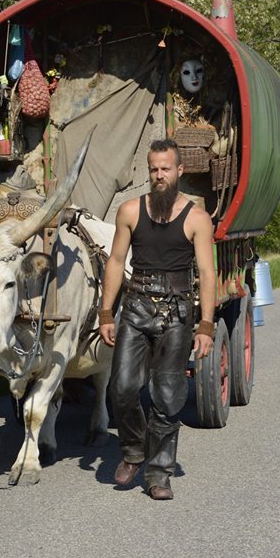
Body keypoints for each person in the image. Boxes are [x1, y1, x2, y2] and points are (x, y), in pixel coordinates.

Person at [98, 139, 215, 500]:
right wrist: (106, 312)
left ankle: (159, 474)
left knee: (167, 395)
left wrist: (206, 325)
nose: (159, 175)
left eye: (166, 168)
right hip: (134, 309)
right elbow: (116, 262)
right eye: (154, 169)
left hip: (177, 313)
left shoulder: (196, 218)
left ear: (179, 171)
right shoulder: (130, 211)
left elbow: (208, 274)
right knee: (121, 388)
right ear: (148, 172)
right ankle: (134, 450)